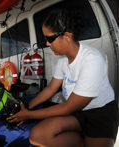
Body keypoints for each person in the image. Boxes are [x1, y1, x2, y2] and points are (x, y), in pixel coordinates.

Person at [7, 9, 118, 147]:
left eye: (49, 38)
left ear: (66, 36)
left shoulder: (92, 60)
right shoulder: (63, 60)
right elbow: (50, 88)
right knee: (37, 136)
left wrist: (29, 115)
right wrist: (27, 107)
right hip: (79, 112)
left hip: (100, 114)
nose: (47, 43)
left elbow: (67, 107)